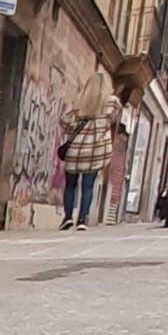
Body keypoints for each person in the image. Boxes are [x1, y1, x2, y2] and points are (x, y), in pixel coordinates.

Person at [58, 71, 118, 229]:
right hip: (96, 150)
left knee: (70, 185)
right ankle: (82, 220)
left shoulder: (80, 102)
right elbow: (115, 118)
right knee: (88, 186)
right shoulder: (111, 103)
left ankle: (68, 217)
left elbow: (64, 120)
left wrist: (72, 131)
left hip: (76, 150)